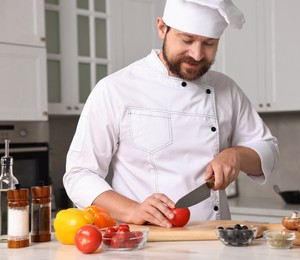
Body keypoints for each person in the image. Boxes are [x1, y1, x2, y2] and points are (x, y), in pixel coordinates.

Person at [63, 0, 279, 228]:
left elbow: (268, 149)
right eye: (187, 40)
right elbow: (79, 175)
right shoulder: (115, 89)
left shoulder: (226, 89)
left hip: (215, 241)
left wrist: (236, 155)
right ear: (162, 28)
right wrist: (132, 210)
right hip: (145, 242)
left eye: (209, 43)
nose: (196, 54)